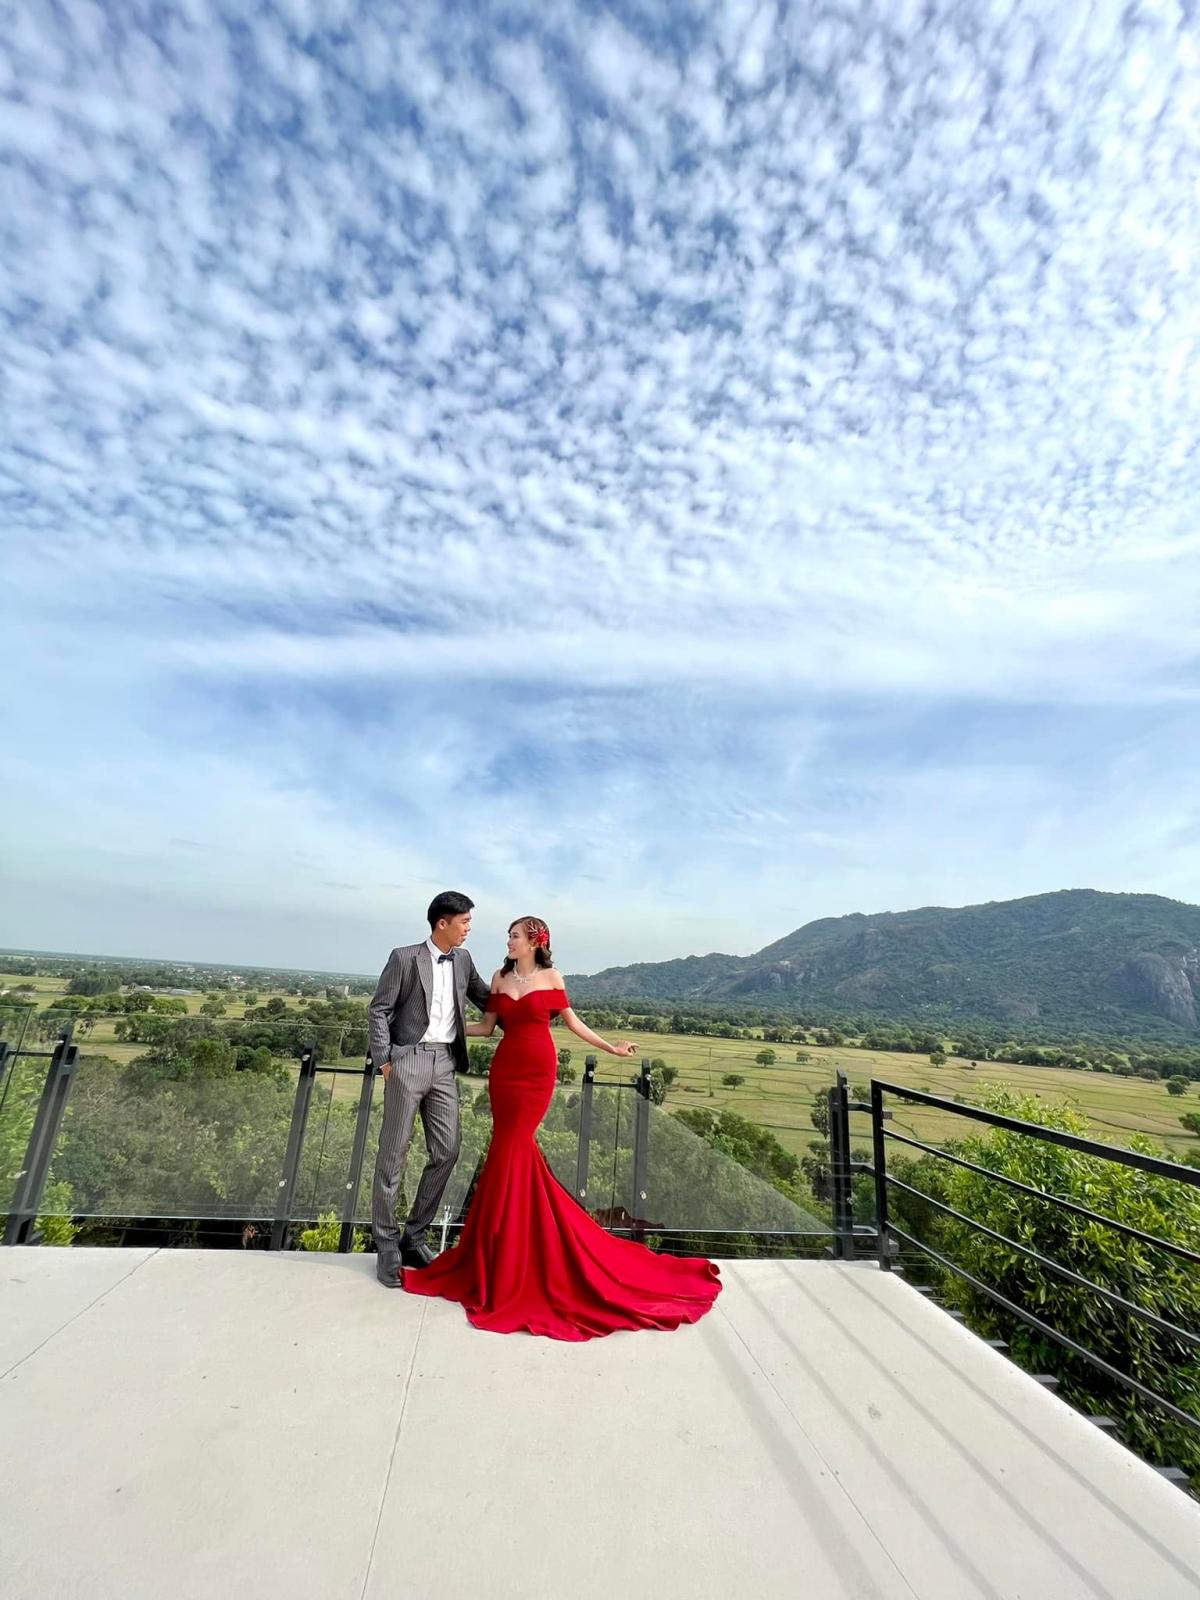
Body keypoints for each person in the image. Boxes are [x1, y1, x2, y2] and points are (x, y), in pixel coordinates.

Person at [400, 915, 722, 1339]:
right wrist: (436, 1029)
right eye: (509, 936)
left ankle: (511, 1253)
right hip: (505, 1072)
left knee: (513, 1151)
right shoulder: (499, 977)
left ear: (535, 941)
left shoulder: (552, 978)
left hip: (537, 1071)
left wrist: (612, 1048)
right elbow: (486, 1028)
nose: (508, 941)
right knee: (507, 1153)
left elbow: (573, 1023)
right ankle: (504, 1251)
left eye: (514, 936)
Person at [368, 890, 493, 1287]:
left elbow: (488, 999)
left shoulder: (464, 960)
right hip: (408, 1061)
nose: (469, 928)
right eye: (464, 922)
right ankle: (387, 1245)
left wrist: (532, 1008)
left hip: (445, 1064)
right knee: (393, 1155)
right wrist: (385, 1061)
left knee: (447, 1150)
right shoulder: (404, 958)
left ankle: (414, 1237)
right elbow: (379, 1010)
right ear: (443, 923)